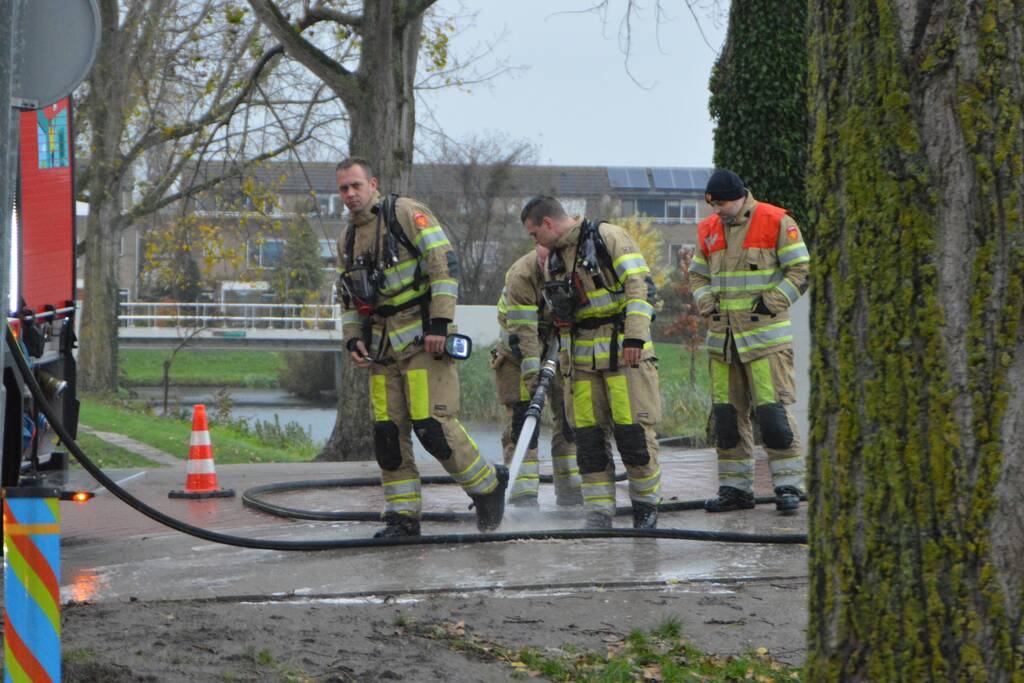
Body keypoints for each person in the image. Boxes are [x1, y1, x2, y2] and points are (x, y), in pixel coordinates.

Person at [335, 157, 507, 537]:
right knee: (387, 435)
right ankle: (403, 518)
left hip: (421, 342)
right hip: (381, 350)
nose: (349, 194)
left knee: (432, 427)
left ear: (373, 184)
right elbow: (348, 298)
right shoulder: (346, 238)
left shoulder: (406, 214)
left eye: (356, 186)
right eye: (344, 188)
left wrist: (439, 325)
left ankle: (488, 487)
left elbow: (443, 265)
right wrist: (353, 338)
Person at [520, 196, 662, 529]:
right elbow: (561, 319)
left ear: (548, 224)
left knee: (634, 436)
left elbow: (639, 285)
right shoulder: (553, 260)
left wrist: (635, 338)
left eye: (533, 233)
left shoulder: (607, 237)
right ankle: (599, 512)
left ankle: (645, 508)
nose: (534, 241)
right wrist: (566, 365)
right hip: (581, 363)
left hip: (623, 355)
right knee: (588, 439)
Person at [689, 169, 810, 514]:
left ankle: (789, 487)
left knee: (774, 418)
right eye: (714, 205)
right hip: (723, 345)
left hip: (765, 343)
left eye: (723, 203)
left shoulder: (776, 221)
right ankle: (735, 490)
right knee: (727, 420)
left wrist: (772, 301)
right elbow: (697, 273)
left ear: (740, 196)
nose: (719, 211)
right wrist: (703, 299)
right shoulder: (709, 229)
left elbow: (802, 270)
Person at [493, 245, 583, 507]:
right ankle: (522, 495)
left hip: (557, 349)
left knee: (567, 418)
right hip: (515, 355)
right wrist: (534, 376)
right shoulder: (521, 274)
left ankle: (570, 491)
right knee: (522, 420)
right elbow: (523, 332)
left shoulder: (572, 266)